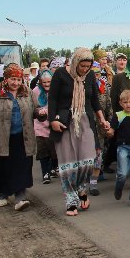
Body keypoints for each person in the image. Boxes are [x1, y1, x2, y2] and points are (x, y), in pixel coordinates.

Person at [47, 48, 108, 216]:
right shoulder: (60, 74)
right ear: (75, 62)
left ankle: (81, 188)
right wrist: (52, 120)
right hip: (65, 123)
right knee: (69, 164)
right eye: (82, 66)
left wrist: (102, 119)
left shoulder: (90, 76)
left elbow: (94, 100)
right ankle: (71, 201)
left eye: (88, 66)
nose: (85, 69)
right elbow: (52, 98)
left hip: (85, 122)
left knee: (88, 160)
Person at [0, 64, 38, 211]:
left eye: (18, 80)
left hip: (22, 137)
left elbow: (36, 109)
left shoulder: (27, 92)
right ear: (6, 78)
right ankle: (1, 194)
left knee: (21, 167)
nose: (16, 83)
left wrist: (41, 113)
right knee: (1, 167)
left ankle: (20, 197)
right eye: (12, 79)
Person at [104, 89, 130, 207]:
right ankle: (119, 187)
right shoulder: (118, 116)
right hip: (123, 147)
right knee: (122, 173)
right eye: (125, 102)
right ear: (120, 103)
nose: (128, 104)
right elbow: (112, 131)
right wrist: (109, 132)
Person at [33, 70, 56, 183]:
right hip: (40, 125)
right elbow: (33, 107)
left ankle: (52, 168)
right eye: (44, 82)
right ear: (40, 82)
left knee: (53, 150)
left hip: (53, 124)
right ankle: (45, 174)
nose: (47, 84)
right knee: (43, 150)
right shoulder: (36, 91)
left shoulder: (57, 90)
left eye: (49, 82)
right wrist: (39, 112)